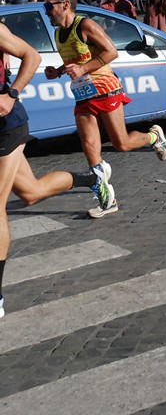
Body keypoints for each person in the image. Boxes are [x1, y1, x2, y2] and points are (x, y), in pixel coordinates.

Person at [0, 25, 117, 318]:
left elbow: (32, 56)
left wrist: (12, 93)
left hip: (6, 125)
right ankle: (90, 179)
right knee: (31, 192)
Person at [42, 0, 166, 213]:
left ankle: (154, 137)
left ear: (65, 4)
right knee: (90, 146)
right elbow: (77, 59)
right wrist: (59, 71)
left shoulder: (86, 25)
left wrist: (82, 70)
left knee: (121, 143)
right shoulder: (58, 33)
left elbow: (111, 51)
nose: (46, 11)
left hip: (106, 89)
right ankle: (106, 199)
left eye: (49, 5)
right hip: (83, 94)